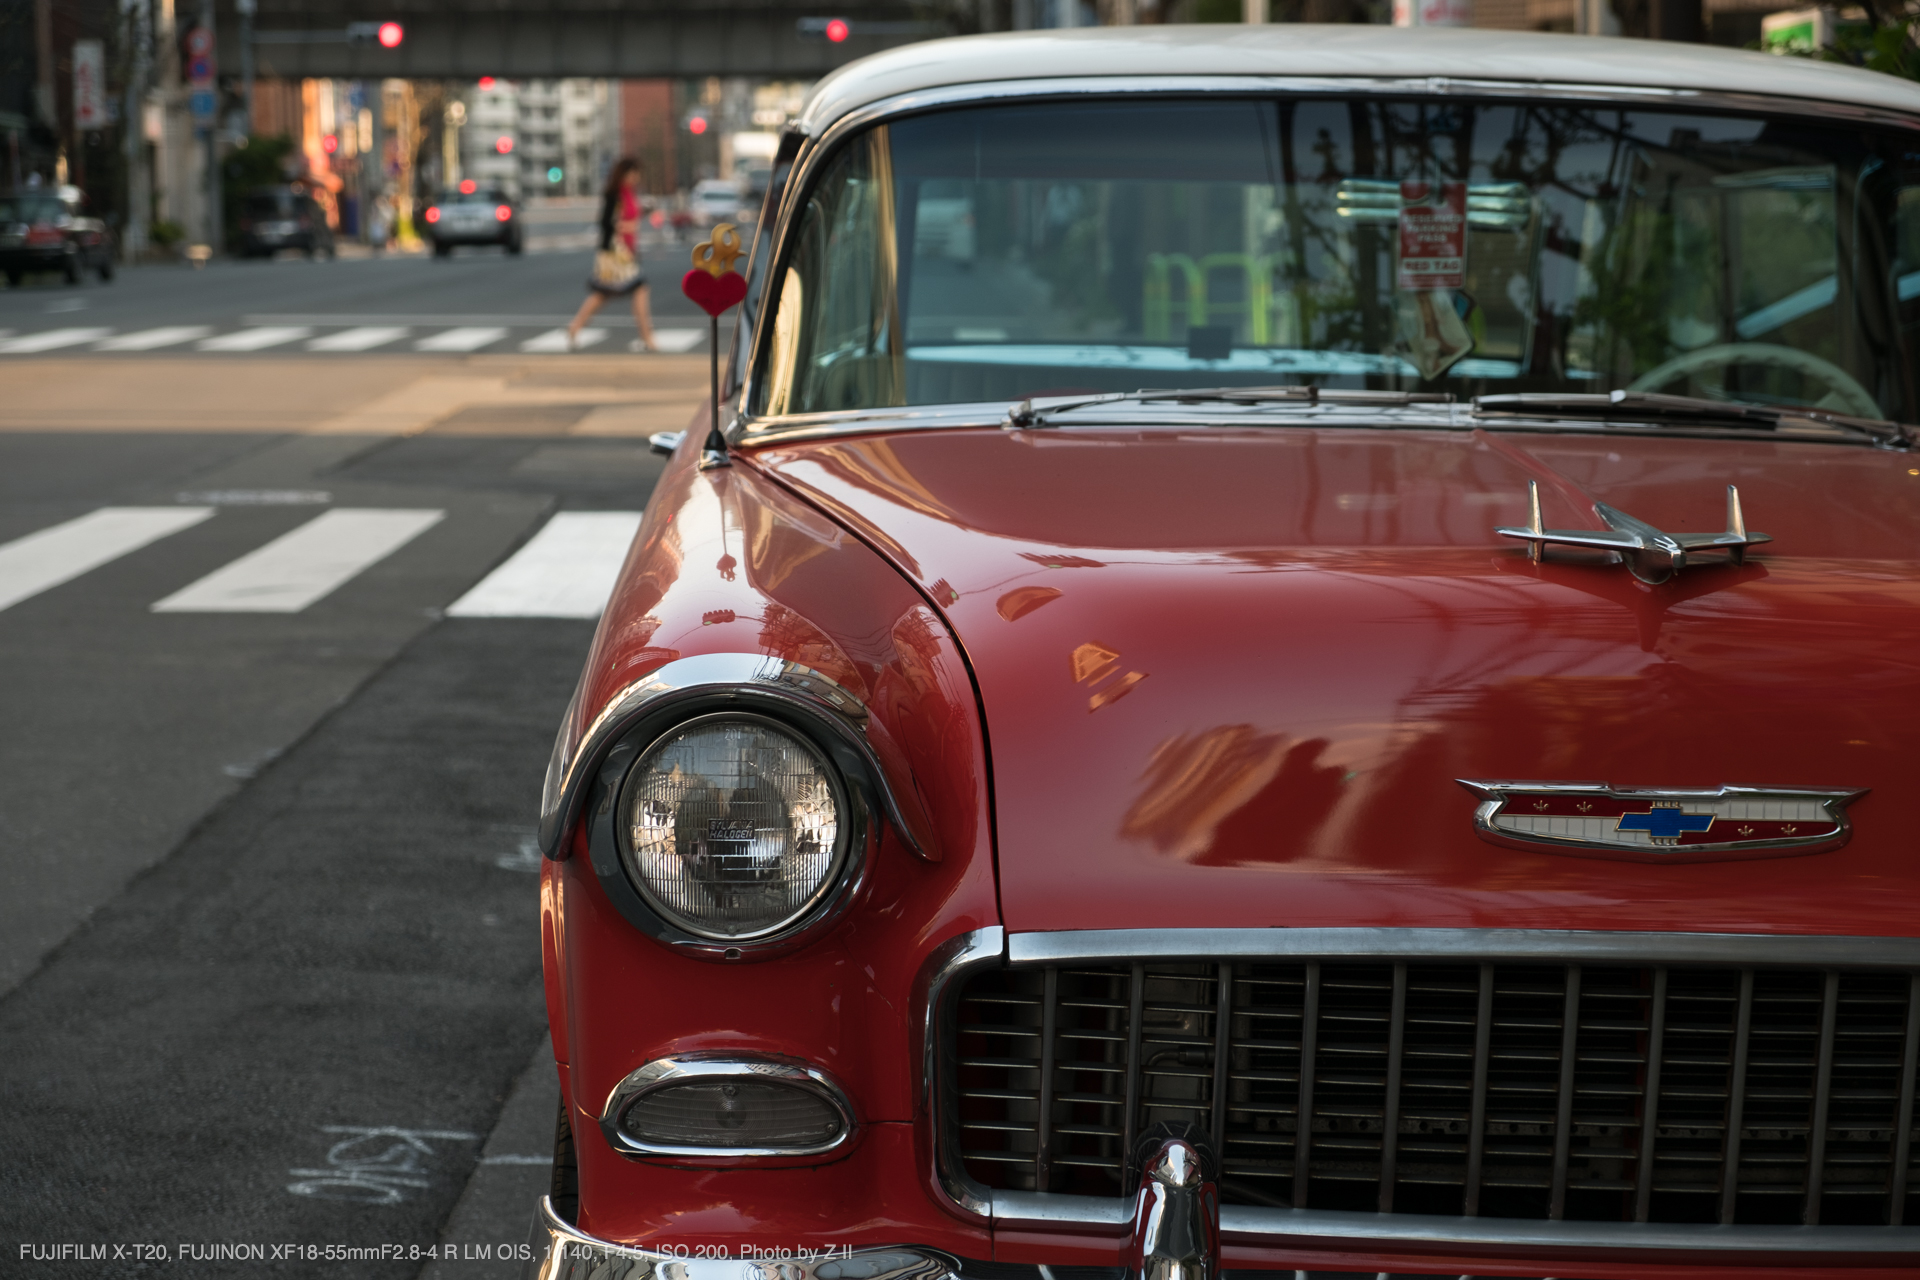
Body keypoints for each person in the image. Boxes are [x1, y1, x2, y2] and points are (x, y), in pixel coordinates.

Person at [567, 157, 659, 352]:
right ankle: (647, 337)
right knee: (639, 289)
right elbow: (606, 223)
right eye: (634, 173)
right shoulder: (614, 195)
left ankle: (575, 326)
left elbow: (630, 217)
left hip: (625, 251)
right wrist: (628, 226)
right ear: (625, 173)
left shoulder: (629, 194)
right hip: (615, 253)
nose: (636, 177)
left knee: (603, 293)